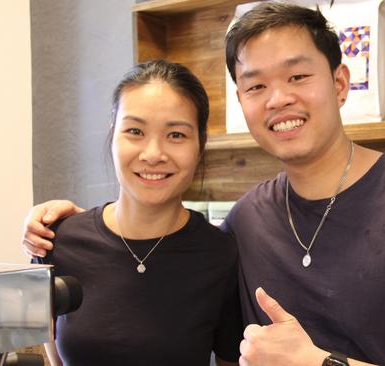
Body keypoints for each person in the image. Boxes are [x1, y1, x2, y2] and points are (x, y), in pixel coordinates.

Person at [23, 3, 385, 365]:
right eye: (257, 85)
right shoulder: (247, 221)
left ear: (340, 83)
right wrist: (53, 229)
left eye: (298, 76)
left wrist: (321, 363)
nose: (278, 99)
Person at [28, 60, 242, 366]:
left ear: (200, 145)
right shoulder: (58, 240)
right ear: (113, 135)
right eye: (135, 131)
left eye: (176, 135)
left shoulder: (221, 255)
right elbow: (48, 353)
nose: (153, 154)